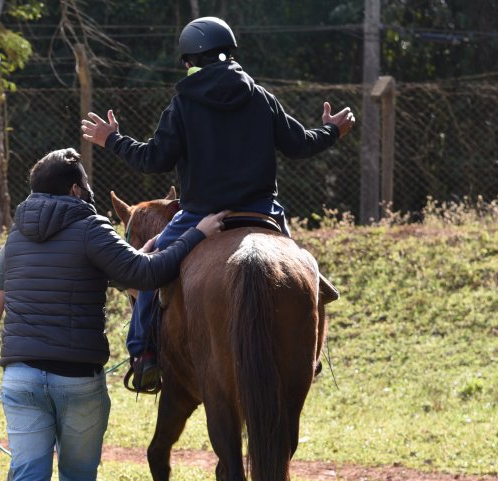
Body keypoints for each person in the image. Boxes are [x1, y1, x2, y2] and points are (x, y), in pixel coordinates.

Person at [0, 148, 226, 481]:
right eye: (85, 185)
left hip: (21, 379)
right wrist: (197, 233)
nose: (89, 192)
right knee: (78, 477)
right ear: (74, 188)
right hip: (77, 382)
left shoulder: (15, 238)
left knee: (29, 477)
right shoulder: (91, 228)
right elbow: (145, 274)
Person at [80, 16, 356, 391]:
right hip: (263, 213)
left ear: (190, 60)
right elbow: (299, 145)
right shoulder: (260, 97)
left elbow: (153, 160)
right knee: (304, 270)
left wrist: (112, 140)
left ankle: (144, 354)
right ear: (231, 54)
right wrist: (332, 130)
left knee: (150, 270)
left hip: (198, 215)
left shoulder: (182, 105)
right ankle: (309, 347)